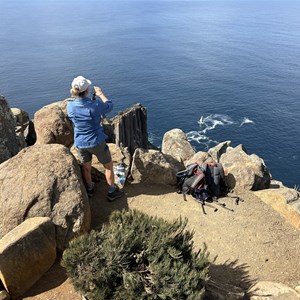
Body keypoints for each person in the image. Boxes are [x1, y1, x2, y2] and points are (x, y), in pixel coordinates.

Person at [67, 75, 124, 201]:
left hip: (80, 142)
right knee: (108, 166)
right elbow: (109, 105)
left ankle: (90, 188)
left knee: (86, 167)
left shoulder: (70, 106)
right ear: (87, 91)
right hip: (96, 141)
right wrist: (100, 94)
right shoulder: (95, 105)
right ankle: (111, 192)